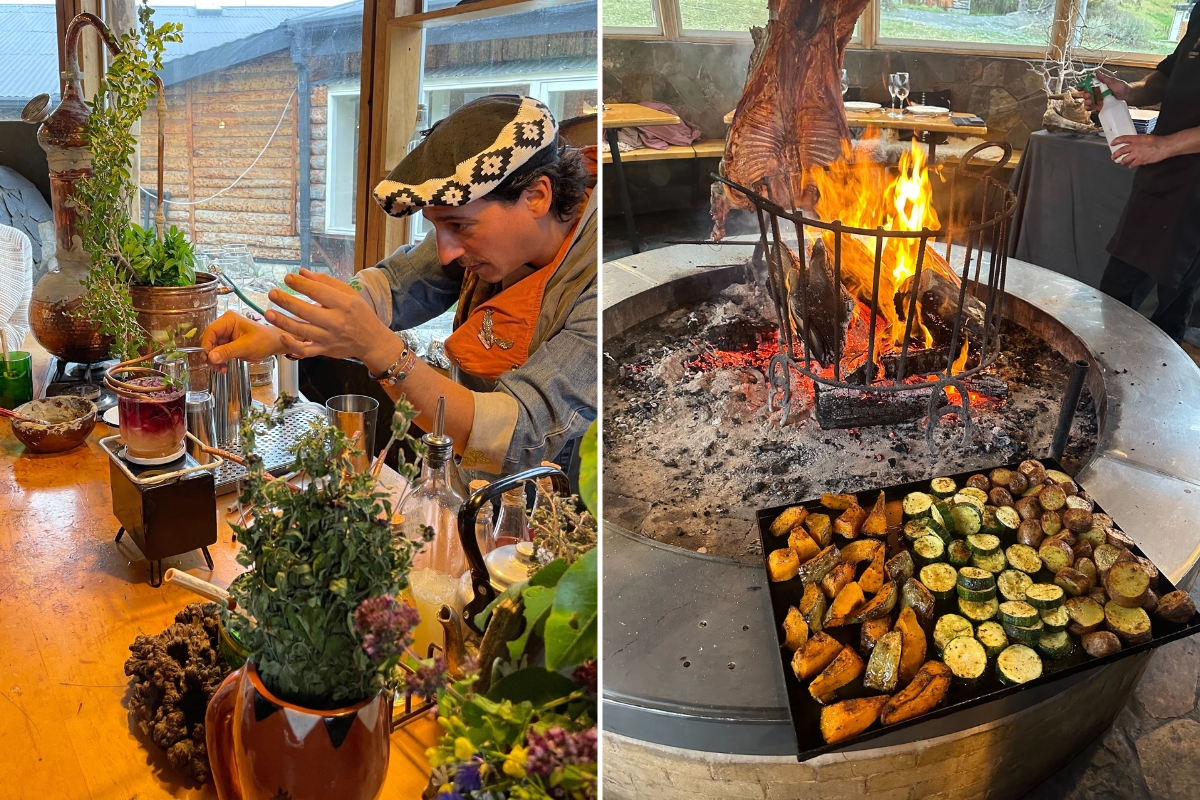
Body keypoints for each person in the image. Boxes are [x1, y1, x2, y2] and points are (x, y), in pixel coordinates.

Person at [201, 95, 597, 474]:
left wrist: (382, 351)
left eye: (459, 225)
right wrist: (281, 332)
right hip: (465, 481)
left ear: (537, 196)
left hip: (546, 517)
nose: (445, 253)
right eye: (437, 227)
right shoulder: (476, 238)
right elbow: (392, 286)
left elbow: (519, 437)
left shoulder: (597, 280)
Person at [1083, 26, 1200, 344]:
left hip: (1194, 193)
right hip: (1160, 175)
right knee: (1115, 290)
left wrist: (1164, 145)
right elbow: (1167, 76)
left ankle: (1161, 387)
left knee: (1171, 306)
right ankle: (1103, 376)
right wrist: (1128, 91)